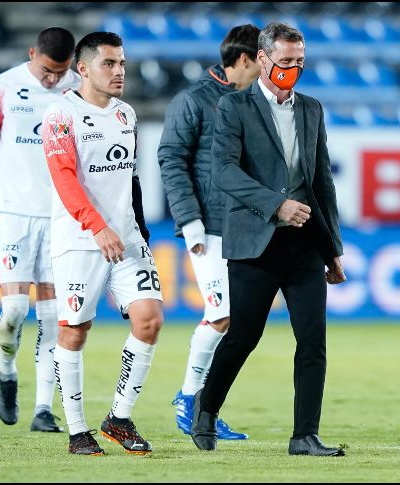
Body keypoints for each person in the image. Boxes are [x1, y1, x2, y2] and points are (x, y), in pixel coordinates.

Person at [190, 22, 347, 456]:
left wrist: (333, 249)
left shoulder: (311, 109)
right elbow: (222, 171)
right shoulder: (234, 107)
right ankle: (206, 409)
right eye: (285, 62)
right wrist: (275, 206)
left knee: (313, 339)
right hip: (255, 240)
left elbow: (322, 182)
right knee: (243, 335)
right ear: (262, 60)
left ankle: (304, 436)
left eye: (300, 62)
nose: (293, 69)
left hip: (305, 244)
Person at [42, 31, 163, 456]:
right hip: (79, 239)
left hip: (126, 238)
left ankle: (119, 417)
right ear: (83, 68)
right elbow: (64, 177)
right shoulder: (60, 114)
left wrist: (139, 229)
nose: (119, 71)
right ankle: (77, 431)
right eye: (109, 64)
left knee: (149, 319)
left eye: (122, 64)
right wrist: (97, 226)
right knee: (74, 332)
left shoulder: (126, 114)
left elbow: (130, 178)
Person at [0, 27, 80, 433]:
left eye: (60, 72)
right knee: (15, 311)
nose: (53, 79)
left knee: (53, 317)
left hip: (60, 216)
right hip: (15, 213)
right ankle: (7, 367)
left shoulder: (79, 90)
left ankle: (42, 409)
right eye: (48, 71)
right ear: (32, 54)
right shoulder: (2, 88)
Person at [158, 24, 261, 442]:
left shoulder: (256, 102)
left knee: (235, 320)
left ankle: (203, 406)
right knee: (223, 316)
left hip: (244, 226)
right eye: (262, 63)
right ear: (242, 60)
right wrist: (189, 219)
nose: (267, 71)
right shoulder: (194, 101)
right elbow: (171, 158)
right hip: (208, 227)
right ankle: (189, 401)